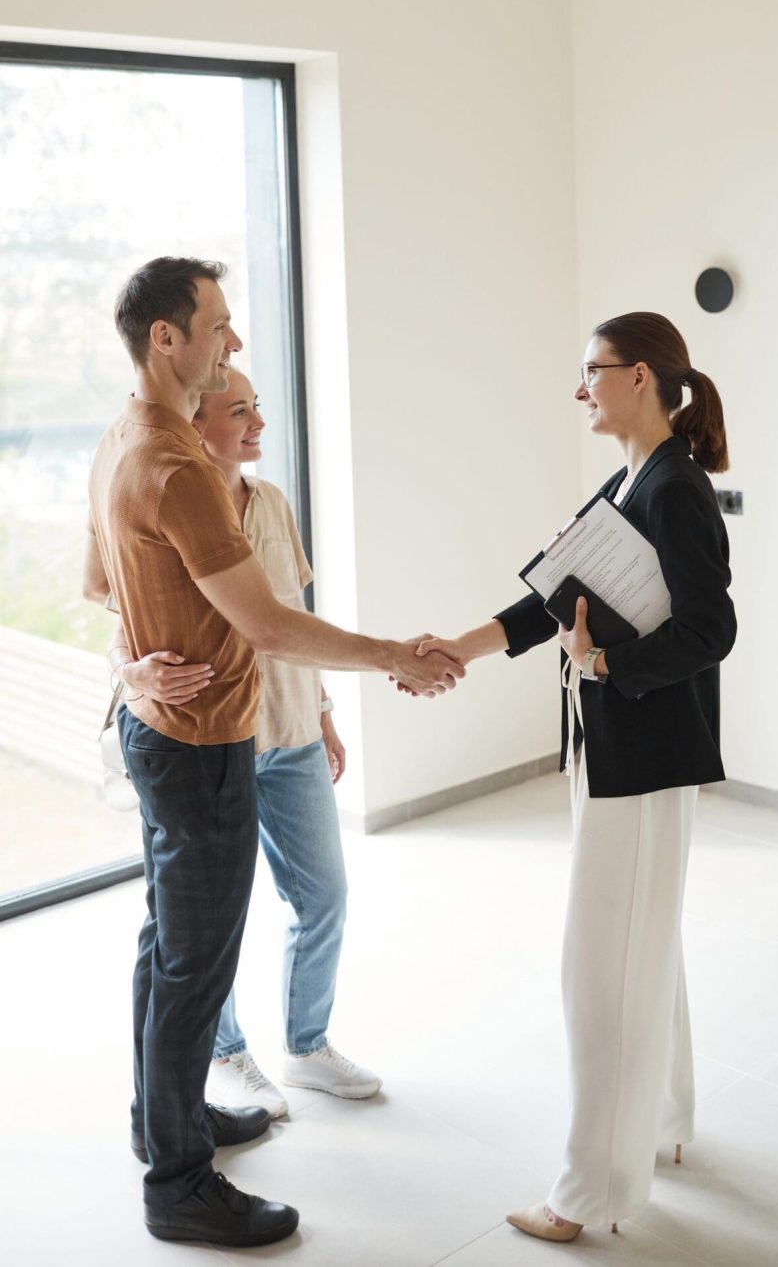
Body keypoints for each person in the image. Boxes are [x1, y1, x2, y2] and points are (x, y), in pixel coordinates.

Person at [83, 256, 463, 1249]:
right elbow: (271, 625)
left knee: (165, 949)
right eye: (217, 324)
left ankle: (162, 1120)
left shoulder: (123, 435)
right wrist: (395, 657)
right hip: (200, 748)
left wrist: (133, 670)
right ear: (166, 338)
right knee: (193, 969)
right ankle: (177, 1183)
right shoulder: (175, 467)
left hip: (168, 737)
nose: (234, 341)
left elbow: (110, 589)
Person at [408, 312, 736, 1242]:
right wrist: (456, 649)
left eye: (589, 372)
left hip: (644, 755)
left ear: (638, 377)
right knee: (644, 948)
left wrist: (602, 669)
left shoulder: (675, 490)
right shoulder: (635, 476)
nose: (580, 388)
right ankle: (664, 1123)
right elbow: (554, 598)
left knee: (602, 973)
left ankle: (588, 1194)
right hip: (622, 753)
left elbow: (712, 630)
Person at [113, 369, 378, 1119]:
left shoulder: (270, 504)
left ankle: (307, 1044)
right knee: (211, 920)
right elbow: (122, 625)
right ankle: (228, 1054)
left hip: (289, 732)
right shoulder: (164, 496)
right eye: (240, 411)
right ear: (198, 424)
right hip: (209, 741)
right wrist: (134, 673)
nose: (259, 422)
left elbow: (291, 614)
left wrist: (323, 710)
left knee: (323, 893)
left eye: (260, 407)